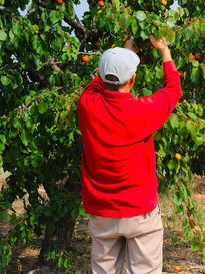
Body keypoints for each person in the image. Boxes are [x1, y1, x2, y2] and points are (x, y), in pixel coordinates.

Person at [78, 35, 182, 274]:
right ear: (132, 79)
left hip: (102, 212)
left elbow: (97, 83)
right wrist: (165, 52)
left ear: (102, 77)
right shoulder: (143, 111)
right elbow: (174, 89)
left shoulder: (87, 105)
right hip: (139, 212)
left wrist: (122, 54)